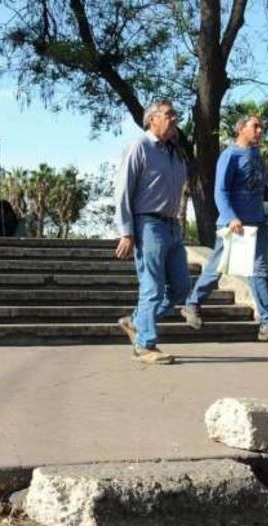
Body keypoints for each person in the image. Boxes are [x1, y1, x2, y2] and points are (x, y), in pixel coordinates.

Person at [180, 115, 268, 343]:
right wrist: (231, 217)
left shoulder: (257, 156)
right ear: (241, 129)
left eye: (262, 126)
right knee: (215, 271)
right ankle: (192, 304)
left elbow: (258, 185)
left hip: (257, 225)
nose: (260, 130)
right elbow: (220, 191)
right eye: (255, 126)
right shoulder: (230, 155)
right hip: (235, 226)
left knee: (259, 272)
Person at [113, 100, 189, 365]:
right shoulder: (140, 147)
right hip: (148, 225)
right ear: (151, 120)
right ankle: (144, 345)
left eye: (175, 115)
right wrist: (126, 231)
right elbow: (123, 190)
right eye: (168, 115)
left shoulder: (175, 153)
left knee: (181, 288)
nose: (174, 119)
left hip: (172, 225)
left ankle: (135, 321)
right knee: (153, 287)